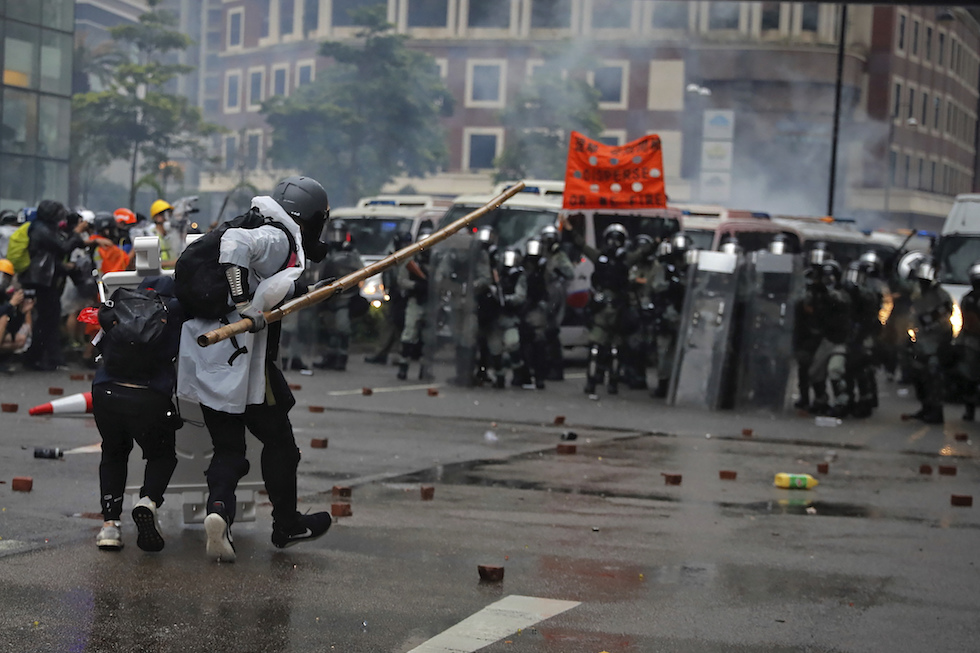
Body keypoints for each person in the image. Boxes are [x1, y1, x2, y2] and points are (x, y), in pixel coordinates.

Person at [177, 175, 333, 562]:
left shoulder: (262, 227)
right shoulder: (276, 236)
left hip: (210, 358)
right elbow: (236, 246)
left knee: (229, 450)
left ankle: (219, 512)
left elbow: (268, 286)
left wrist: (309, 291)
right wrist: (243, 302)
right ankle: (286, 523)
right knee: (281, 443)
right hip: (245, 363)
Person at [92, 276, 183, 552]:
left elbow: (98, 346)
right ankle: (148, 501)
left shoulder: (121, 306)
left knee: (113, 453)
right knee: (162, 455)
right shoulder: (174, 310)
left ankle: (110, 525)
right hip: (149, 396)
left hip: (106, 391)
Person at [21, 200, 87, 371]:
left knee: (49, 319)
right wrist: (76, 233)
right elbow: (63, 247)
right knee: (47, 319)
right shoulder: (41, 229)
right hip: (42, 280)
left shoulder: (45, 228)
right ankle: (38, 358)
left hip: (48, 278)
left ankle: (47, 358)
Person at [577, 223, 633, 396]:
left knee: (616, 349)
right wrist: (571, 230)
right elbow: (583, 247)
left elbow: (642, 254)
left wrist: (657, 241)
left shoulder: (626, 259)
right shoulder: (599, 257)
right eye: (611, 239)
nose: (613, 243)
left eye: (617, 240)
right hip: (601, 309)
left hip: (617, 310)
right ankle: (592, 380)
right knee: (595, 347)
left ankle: (613, 381)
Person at [905, 259, 953, 424]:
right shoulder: (918, 294)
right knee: (918, 376)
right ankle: (925, 407)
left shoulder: (942, 297)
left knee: (934, 377)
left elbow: (943, 320)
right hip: (920, 343)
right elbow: (913, 315)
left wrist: (928, 326)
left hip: (935, 344)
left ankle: (936, 411)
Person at [313, 219, 364, 371]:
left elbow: (359, 270)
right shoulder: (325, 249)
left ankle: (342, 357)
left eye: (339, 233)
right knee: (330, 329)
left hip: (344, 296)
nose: (336, 237)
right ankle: (330, 357)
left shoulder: (350, 252)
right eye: (334, 233)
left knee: (342, 328)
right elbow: (319, 269)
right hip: (326, 294)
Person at [808, 259, 853, 417]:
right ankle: (821, 399)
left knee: (835, 370)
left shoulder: (843, 293)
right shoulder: (817, 294)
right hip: (825, 338)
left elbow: (840, 301)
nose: (828, 281)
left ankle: (842, 402)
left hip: (840, 339)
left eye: (831, 277)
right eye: (825, 277)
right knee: (815, 372)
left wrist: (825, 293)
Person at [365, 230, 413, 365]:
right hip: (395, 295)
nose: (405, 246)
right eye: (403, 243)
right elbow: (387, 276)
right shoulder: (393, 258)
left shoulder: (411, 258)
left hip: (408, 295)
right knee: (390, 324)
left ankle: (399, 354)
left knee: (403, 326)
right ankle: (382, 353)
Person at [537, 225, 574, 381]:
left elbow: (570, 273)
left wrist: (558, 271)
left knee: (551, 331)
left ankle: (555, 369)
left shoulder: (559, 256)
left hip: (554, 293)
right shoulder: (539, 253)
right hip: (541, 292)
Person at [487, 248, 527, 388]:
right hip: (494, 318)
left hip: (510, 317)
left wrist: (506, 299)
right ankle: (499, 377)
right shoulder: (494, 274)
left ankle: (518, 374)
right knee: (495, 349)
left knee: (512, 344)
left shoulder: (519, 276)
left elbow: (520, 297)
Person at [396, 229, 432, 381]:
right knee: (409, 333)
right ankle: (403, 366)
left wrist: (433, 285)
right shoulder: (412, 260)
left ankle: (425, 369)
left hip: (431, 302)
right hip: (415, 301)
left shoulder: (437, 260)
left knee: (428, 337)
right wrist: (416, 285)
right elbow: (401, 281)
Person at [954, 261, 980, 421]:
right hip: (972, 341)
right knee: (969, 377)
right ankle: (969, 409)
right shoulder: (968, 300)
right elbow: (969, 322)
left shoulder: (968, 298)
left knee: (970, 377)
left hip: (971, 341)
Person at [0, 258, 34, 370]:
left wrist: (21, 313)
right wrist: (10, 305)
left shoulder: (5, 297)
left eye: (8, 277)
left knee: (20, 339)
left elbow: (12, 328)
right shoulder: (8, 302)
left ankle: (3, 359)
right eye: (4, 276)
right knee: (3, 319)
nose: (5, 280)